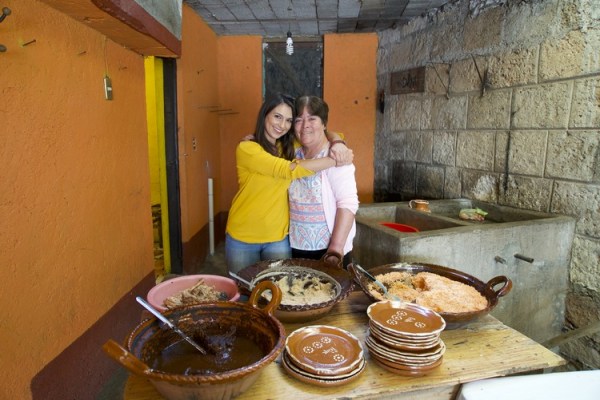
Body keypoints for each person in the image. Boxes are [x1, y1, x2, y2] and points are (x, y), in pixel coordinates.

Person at [225, 93, 352, 274]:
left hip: (278, 238)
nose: (282, 125)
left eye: (288, 120)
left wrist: (338, 142)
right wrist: (335, 160)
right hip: (243, 236)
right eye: (277, 116)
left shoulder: (287, 147)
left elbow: (321, 133)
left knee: (279, 287)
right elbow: (288, 170)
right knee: (243, 287)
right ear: (264, 115)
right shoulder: (248, 148)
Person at [288, 95, 359, 267]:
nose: (305, 125)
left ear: (324, 124)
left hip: (328, 250)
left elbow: (347, 204)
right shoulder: (293, 153)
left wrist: (335, 249)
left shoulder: (337, 156)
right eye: (299, 120)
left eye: (312, 118)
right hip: (295, 245)